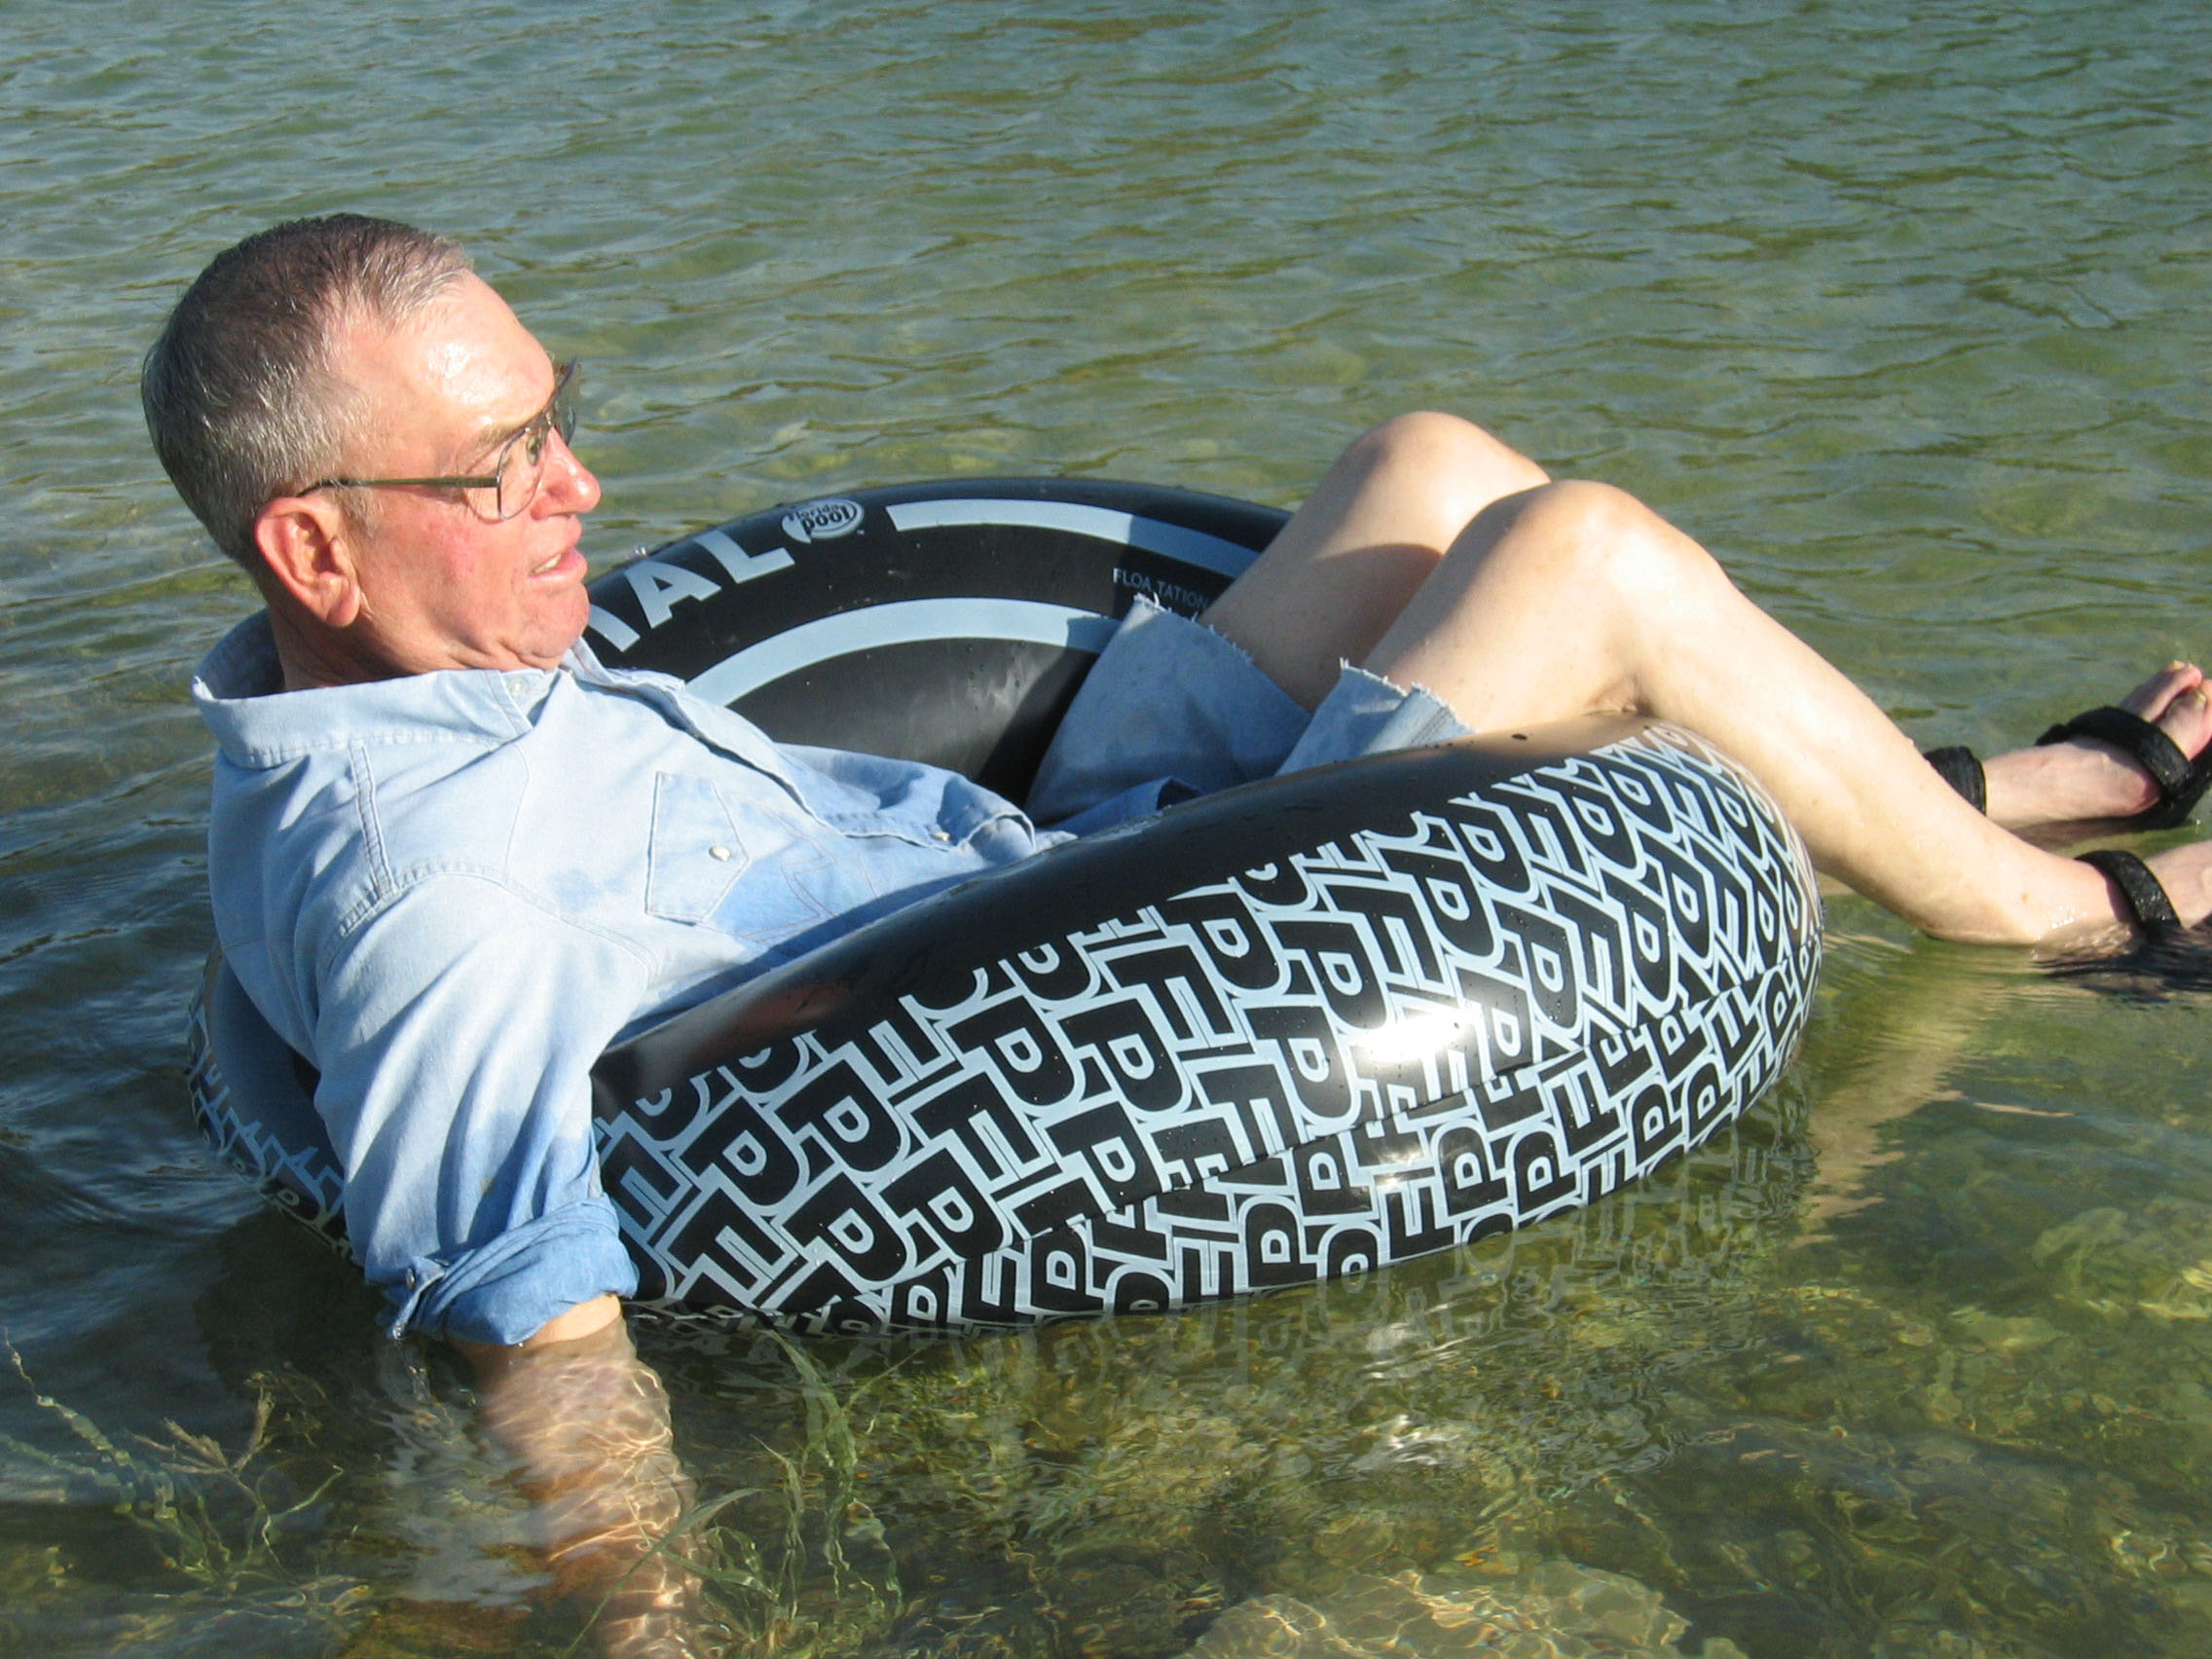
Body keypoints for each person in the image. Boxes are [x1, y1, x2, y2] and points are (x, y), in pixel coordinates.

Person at [148, 214, 2212, 1648]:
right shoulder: (438, 891)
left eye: (556, 413)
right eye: (503, 467)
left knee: (1429, 465)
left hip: (1034, 848)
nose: (582, 487)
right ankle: (2059, 912)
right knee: (1582, 557)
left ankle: (1956, 797)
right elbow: (530, 1323)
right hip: (1125, 963)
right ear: (314, 544)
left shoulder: (395, 677)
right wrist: (657, 1622)